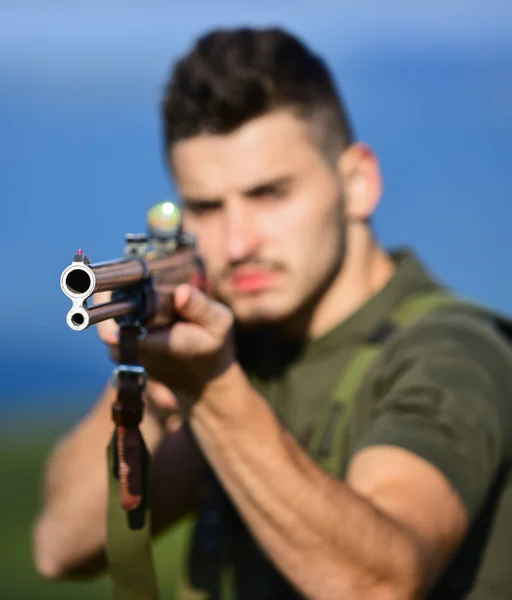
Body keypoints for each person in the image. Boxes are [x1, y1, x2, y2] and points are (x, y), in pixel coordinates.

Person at [33, 27, 512, 600]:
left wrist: (211, 388)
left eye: (270, 194)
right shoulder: (244, 339)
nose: (237, 243)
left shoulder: (454, 352)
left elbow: (378, 584)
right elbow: (62, 545)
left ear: (357, 182)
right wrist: (154, 382)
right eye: (207, 206)